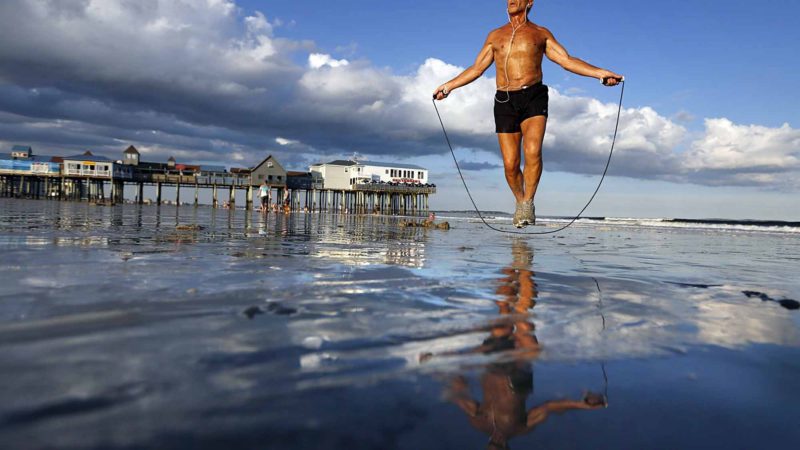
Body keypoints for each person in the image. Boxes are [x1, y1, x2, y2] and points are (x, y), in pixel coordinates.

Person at [433, 0, 623, 228]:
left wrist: (600, 74)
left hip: (534, 95)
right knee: (510, 164)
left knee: (532, 151)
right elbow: (477, 68)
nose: (510, 0)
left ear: (530, 1)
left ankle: (527, 204)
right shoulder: (495, 35)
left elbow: (566, 60)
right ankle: (520, 201)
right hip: (504, 99)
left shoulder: (540, 33)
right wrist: (448, 86)